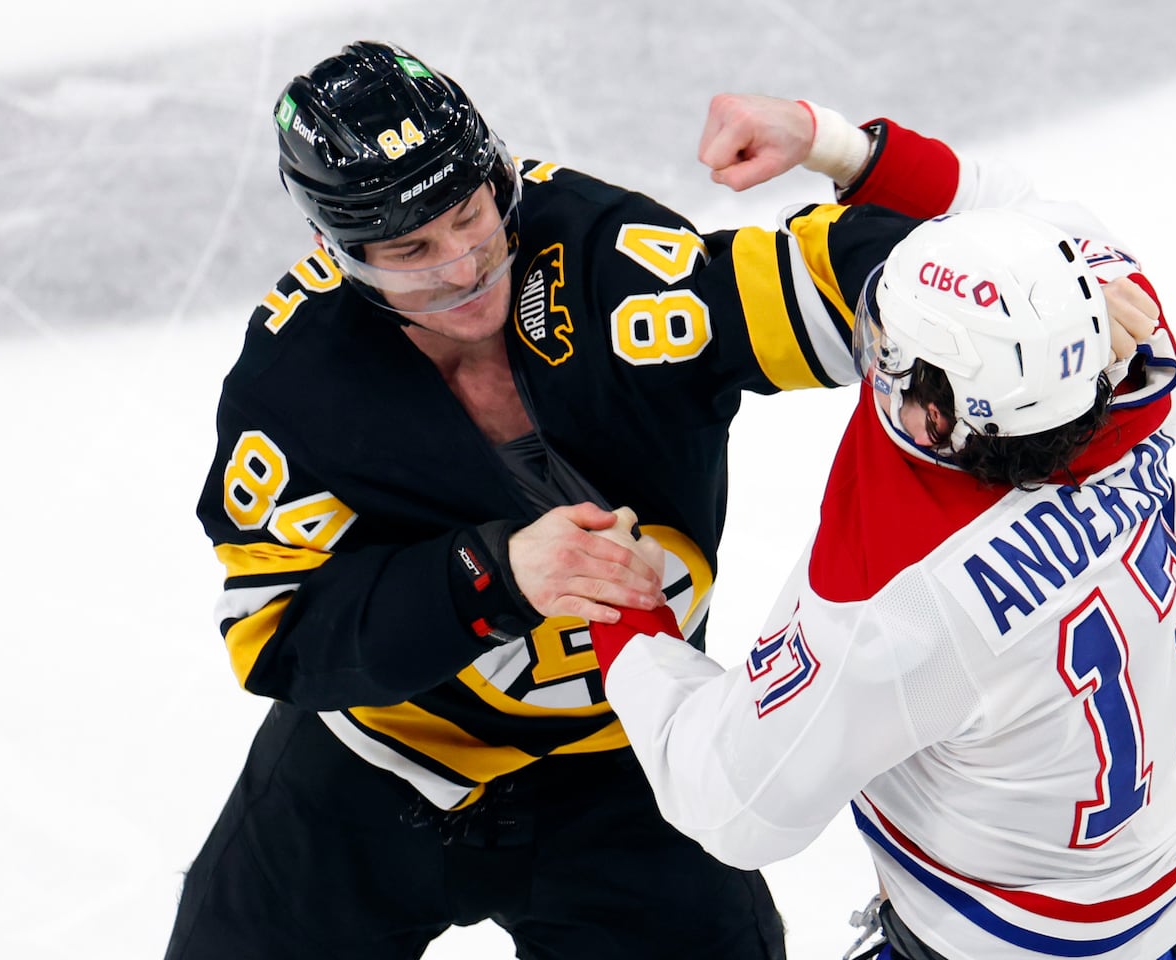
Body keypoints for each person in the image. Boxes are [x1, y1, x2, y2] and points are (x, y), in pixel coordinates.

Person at [164, 43, 949, 960]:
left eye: (468, 216)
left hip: (632, 754)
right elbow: (283, 637)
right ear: (334, 251)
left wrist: (999, 291)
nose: (461, 265)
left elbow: (829, 275)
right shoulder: (296, 384)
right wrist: (487, 577)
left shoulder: (604, 259)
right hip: (375, 769)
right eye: (410, 249)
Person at [589, 95, 1176, 960]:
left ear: (937, 417)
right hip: (1160, 879)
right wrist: (832, 147)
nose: (872, 347)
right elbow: (1009, 212)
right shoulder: (1137, 345)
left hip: (1006, 937)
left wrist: (624, 613)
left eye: (889, 345)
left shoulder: (903, 608)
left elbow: (734, 801)